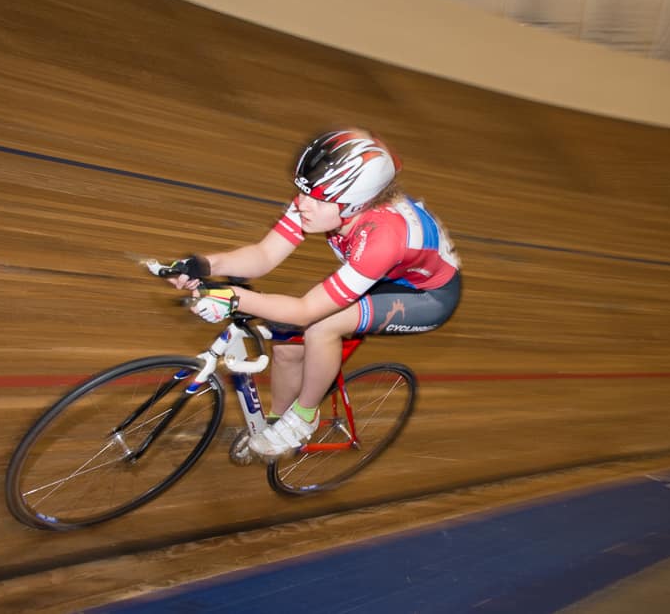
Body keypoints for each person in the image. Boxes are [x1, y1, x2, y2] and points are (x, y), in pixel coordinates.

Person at [166, 129, 461, 462]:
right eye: (302, 192)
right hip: (379, 271)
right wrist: (205, 264)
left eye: (317, 199)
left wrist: (234, 297)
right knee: (286, 352)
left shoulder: (381, 238)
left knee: (322, 326)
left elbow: (307, 311)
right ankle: (275, 425)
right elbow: (264, 256)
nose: (301, 204)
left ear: (354, 204)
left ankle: (304, 417)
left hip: (427, 295)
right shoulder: (327, 200)